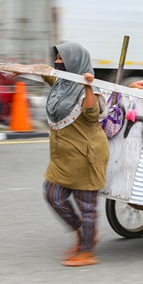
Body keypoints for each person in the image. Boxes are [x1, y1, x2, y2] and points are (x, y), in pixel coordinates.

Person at [41, 42, 109, 267]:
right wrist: (19, 71)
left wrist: (87, 85)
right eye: (57, 57)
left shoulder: (90, 89)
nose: (58, 61)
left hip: (86, 156)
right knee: (52, 194)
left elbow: (92, 115)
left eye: (62, 58)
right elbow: (45, 72)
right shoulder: (62, 83)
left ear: (75, 62)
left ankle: (87, 252)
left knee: (86, 205)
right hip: (63, 158)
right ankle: (82, 234)